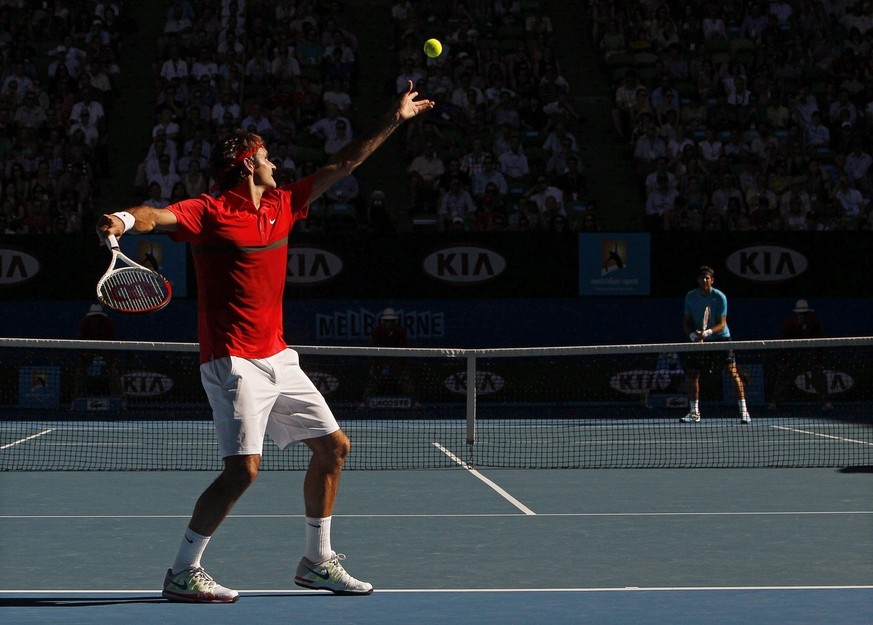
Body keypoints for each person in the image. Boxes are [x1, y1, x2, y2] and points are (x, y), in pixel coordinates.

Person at [96, 82, 434, 603]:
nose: (277, 163)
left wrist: (395, 117)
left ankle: (316, 561)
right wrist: (122, 219)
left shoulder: (283, 203)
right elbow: (155, 215)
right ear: (249, 162)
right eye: (269, 156)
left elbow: (343, 165)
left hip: (279, 356)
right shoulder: (208, 211)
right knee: (242, 471)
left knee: (333, 448)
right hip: (232, 360)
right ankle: (183, 571)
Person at [680, 266, 751, 424]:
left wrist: (706, 333)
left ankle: (744, 411)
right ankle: (694, 412)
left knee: (732, 372)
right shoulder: (690, 297)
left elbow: (721, 323)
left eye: (707, 277)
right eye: (702, 277)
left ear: (712, 280)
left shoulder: (720, 297)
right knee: (692, 373)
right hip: (699, 340)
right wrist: (692, 335)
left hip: (721, 338)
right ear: (698, 280)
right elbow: (686, 321)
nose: (705, 280)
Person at [768, 300, 832, 411]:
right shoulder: (789, 324)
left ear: (808, 313)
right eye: (800, 313)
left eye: (805, 313)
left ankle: (826, 402)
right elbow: (783, 343)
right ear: (797, 314)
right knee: (783, 374)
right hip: (793, 355)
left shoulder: (814, 324)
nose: (802, 316)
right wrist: (784, 361)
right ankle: (774, 402)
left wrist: (818, 360)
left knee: (818, 373)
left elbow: (820, 343)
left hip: (809, 354)